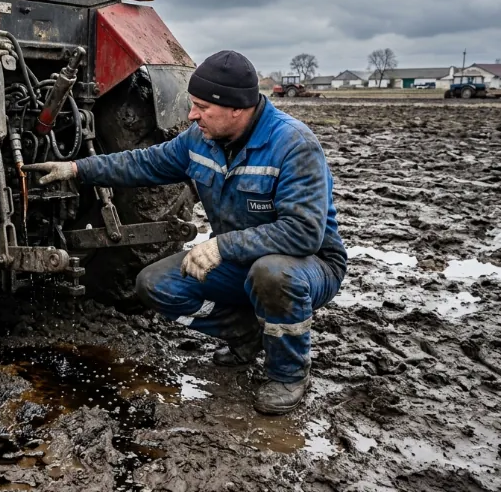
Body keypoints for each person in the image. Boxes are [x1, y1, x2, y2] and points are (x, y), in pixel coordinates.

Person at [24, 51, 347, 415]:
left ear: (237, 109)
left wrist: (223, 245)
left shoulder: (293, 145)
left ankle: (287, 374)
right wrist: (75, 169)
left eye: (202, 107)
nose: (192, 115)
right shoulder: (200, 139)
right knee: (155, 284)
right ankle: (247, 333)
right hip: (243, 260)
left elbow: (304, 233)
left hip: (308, 266)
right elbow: (142, 163)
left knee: (272, 274)